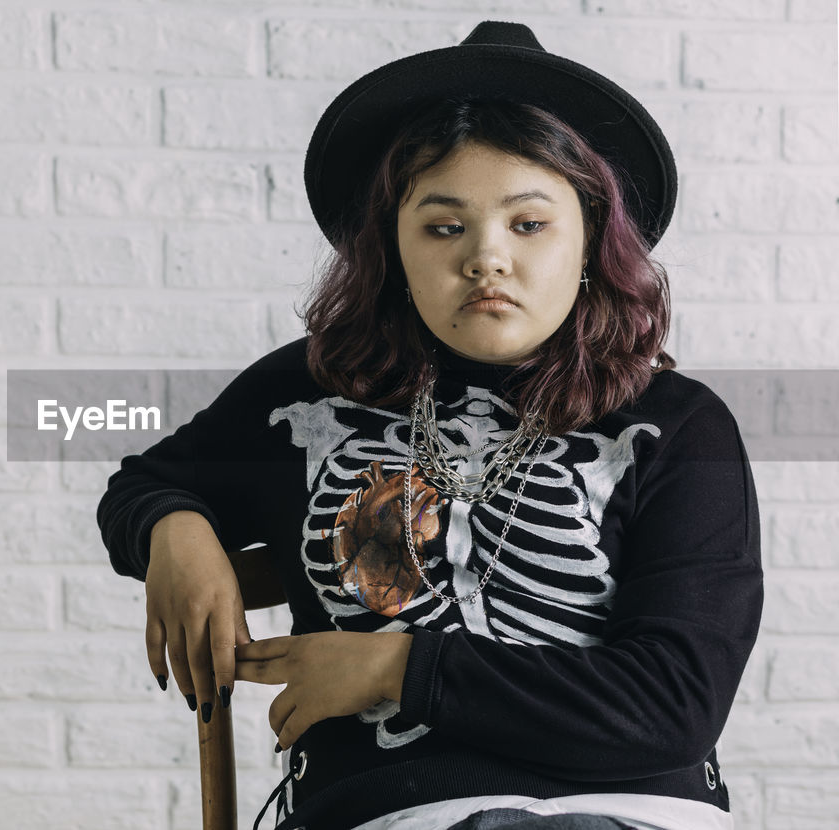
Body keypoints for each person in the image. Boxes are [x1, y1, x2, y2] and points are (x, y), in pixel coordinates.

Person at [96, 20, 762, 830]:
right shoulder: (310, 392)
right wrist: (175, 528)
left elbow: (675, 706)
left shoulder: (675, 426)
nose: (486, 259)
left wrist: (396, 666)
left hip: (631, 812)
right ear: (394, 249)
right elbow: (145, 483)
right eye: (444, 227)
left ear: (589, 238)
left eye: (529, 224)